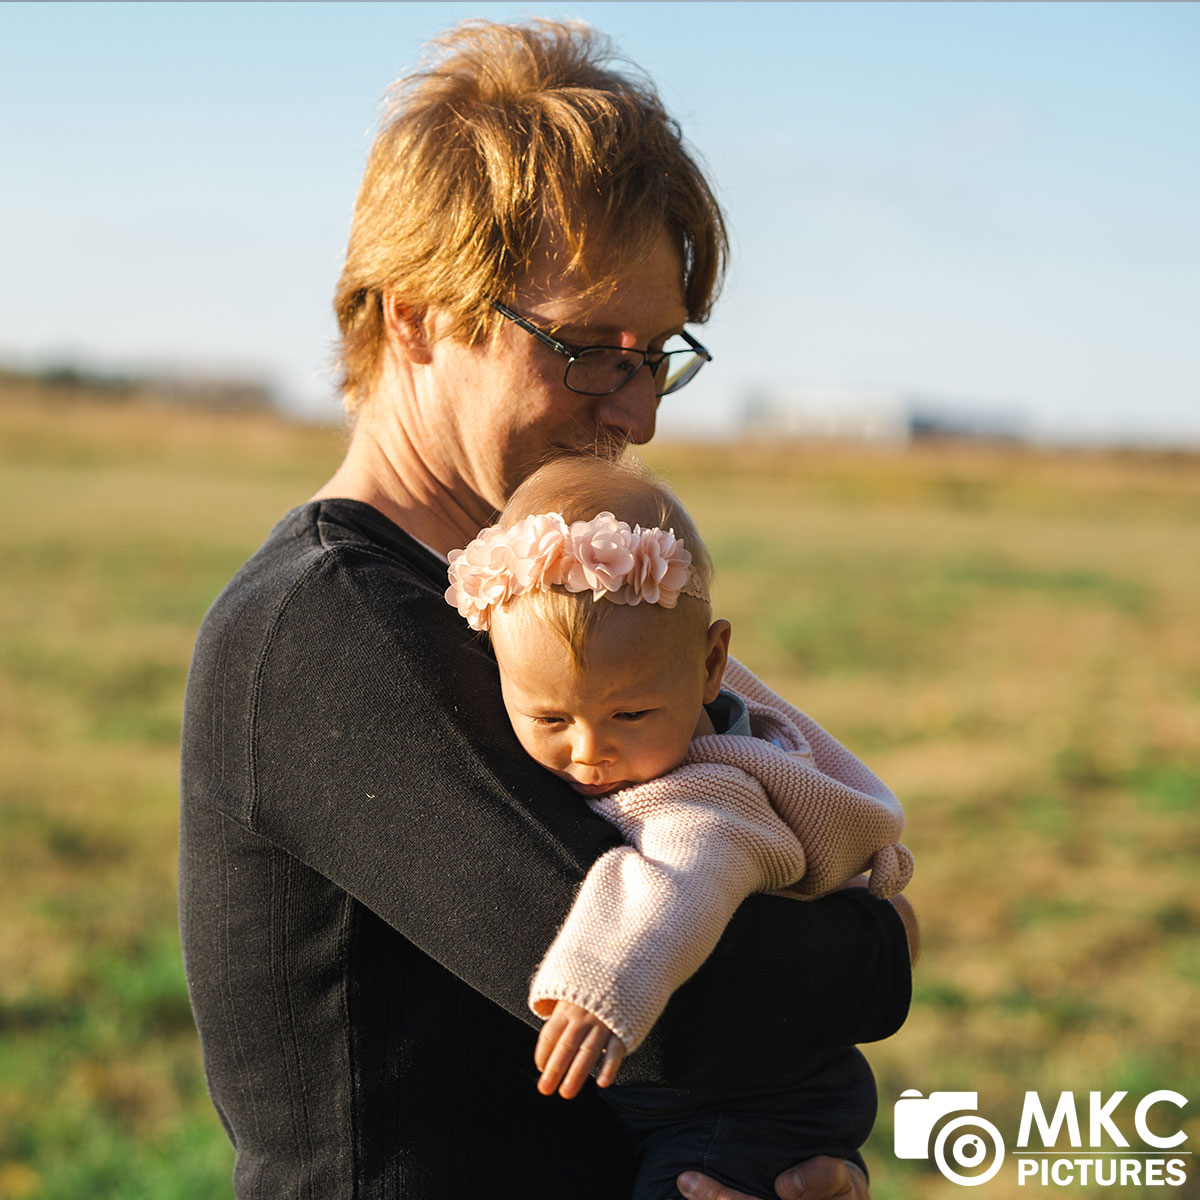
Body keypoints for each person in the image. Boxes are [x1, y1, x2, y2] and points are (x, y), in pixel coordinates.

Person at [178, 18, 915, 1200]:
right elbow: (680, 1008)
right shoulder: (328, 626)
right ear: (416, 312)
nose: (639, 412)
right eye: (585, 349)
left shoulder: (548, 600)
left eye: (657, 355)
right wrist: (884, 946)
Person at [443, 455, 914, 1199]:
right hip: (703, 1096)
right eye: (549, 718)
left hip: (753, 1108)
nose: (590, 750)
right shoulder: (663, 702)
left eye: (629, 714)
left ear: (711, 664)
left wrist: (598, 985)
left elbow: (678, 875)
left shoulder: (714, 795)